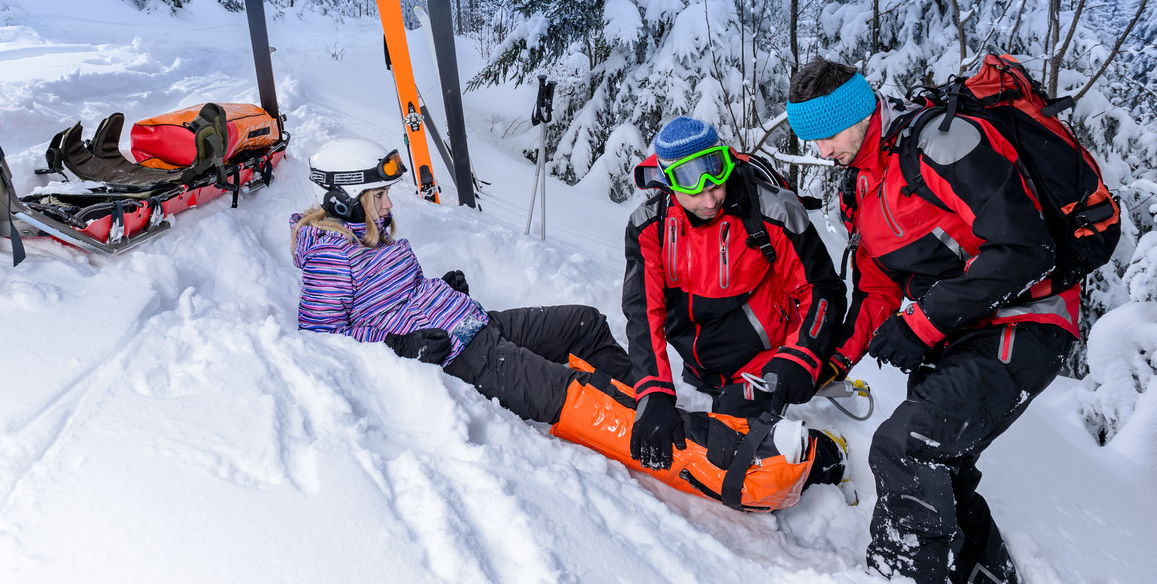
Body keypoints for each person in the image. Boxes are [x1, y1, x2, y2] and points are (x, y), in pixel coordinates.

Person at [291, 137, 847, 510]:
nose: (388, 205)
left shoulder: (371, 238)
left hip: (473, 322)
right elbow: (322, 341)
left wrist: (436, 291)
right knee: (584, 396)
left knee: (583, 324)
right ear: (342, 200)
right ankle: (758, 465)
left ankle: (653, 403)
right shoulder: (329, 257)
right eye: (378, 195)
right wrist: (400, 343)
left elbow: (389, 296)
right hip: (461, 355)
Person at [786, 57, 1078, 583]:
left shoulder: (939, 145)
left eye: (827, 132)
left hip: (1026, 321)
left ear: (858, 109)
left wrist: (921, 324)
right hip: (954, 336)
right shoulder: (860, 190)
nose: (821, 150)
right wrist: (829, 363)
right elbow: (877, 291)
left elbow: (1025, 247)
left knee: (907, 447)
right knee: (943, 471)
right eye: (812, 139)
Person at [622, 116, 849, 472]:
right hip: (700, 367)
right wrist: (654, 393)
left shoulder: (772, 210)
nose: (711, 198)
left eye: (717, 181)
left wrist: (801, 357)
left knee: (732, 454)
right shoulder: (649, 228)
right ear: (668, 183)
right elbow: (643, 312)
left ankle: (824, 452)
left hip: (765, 362)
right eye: (694, 190)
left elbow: (822, 289)